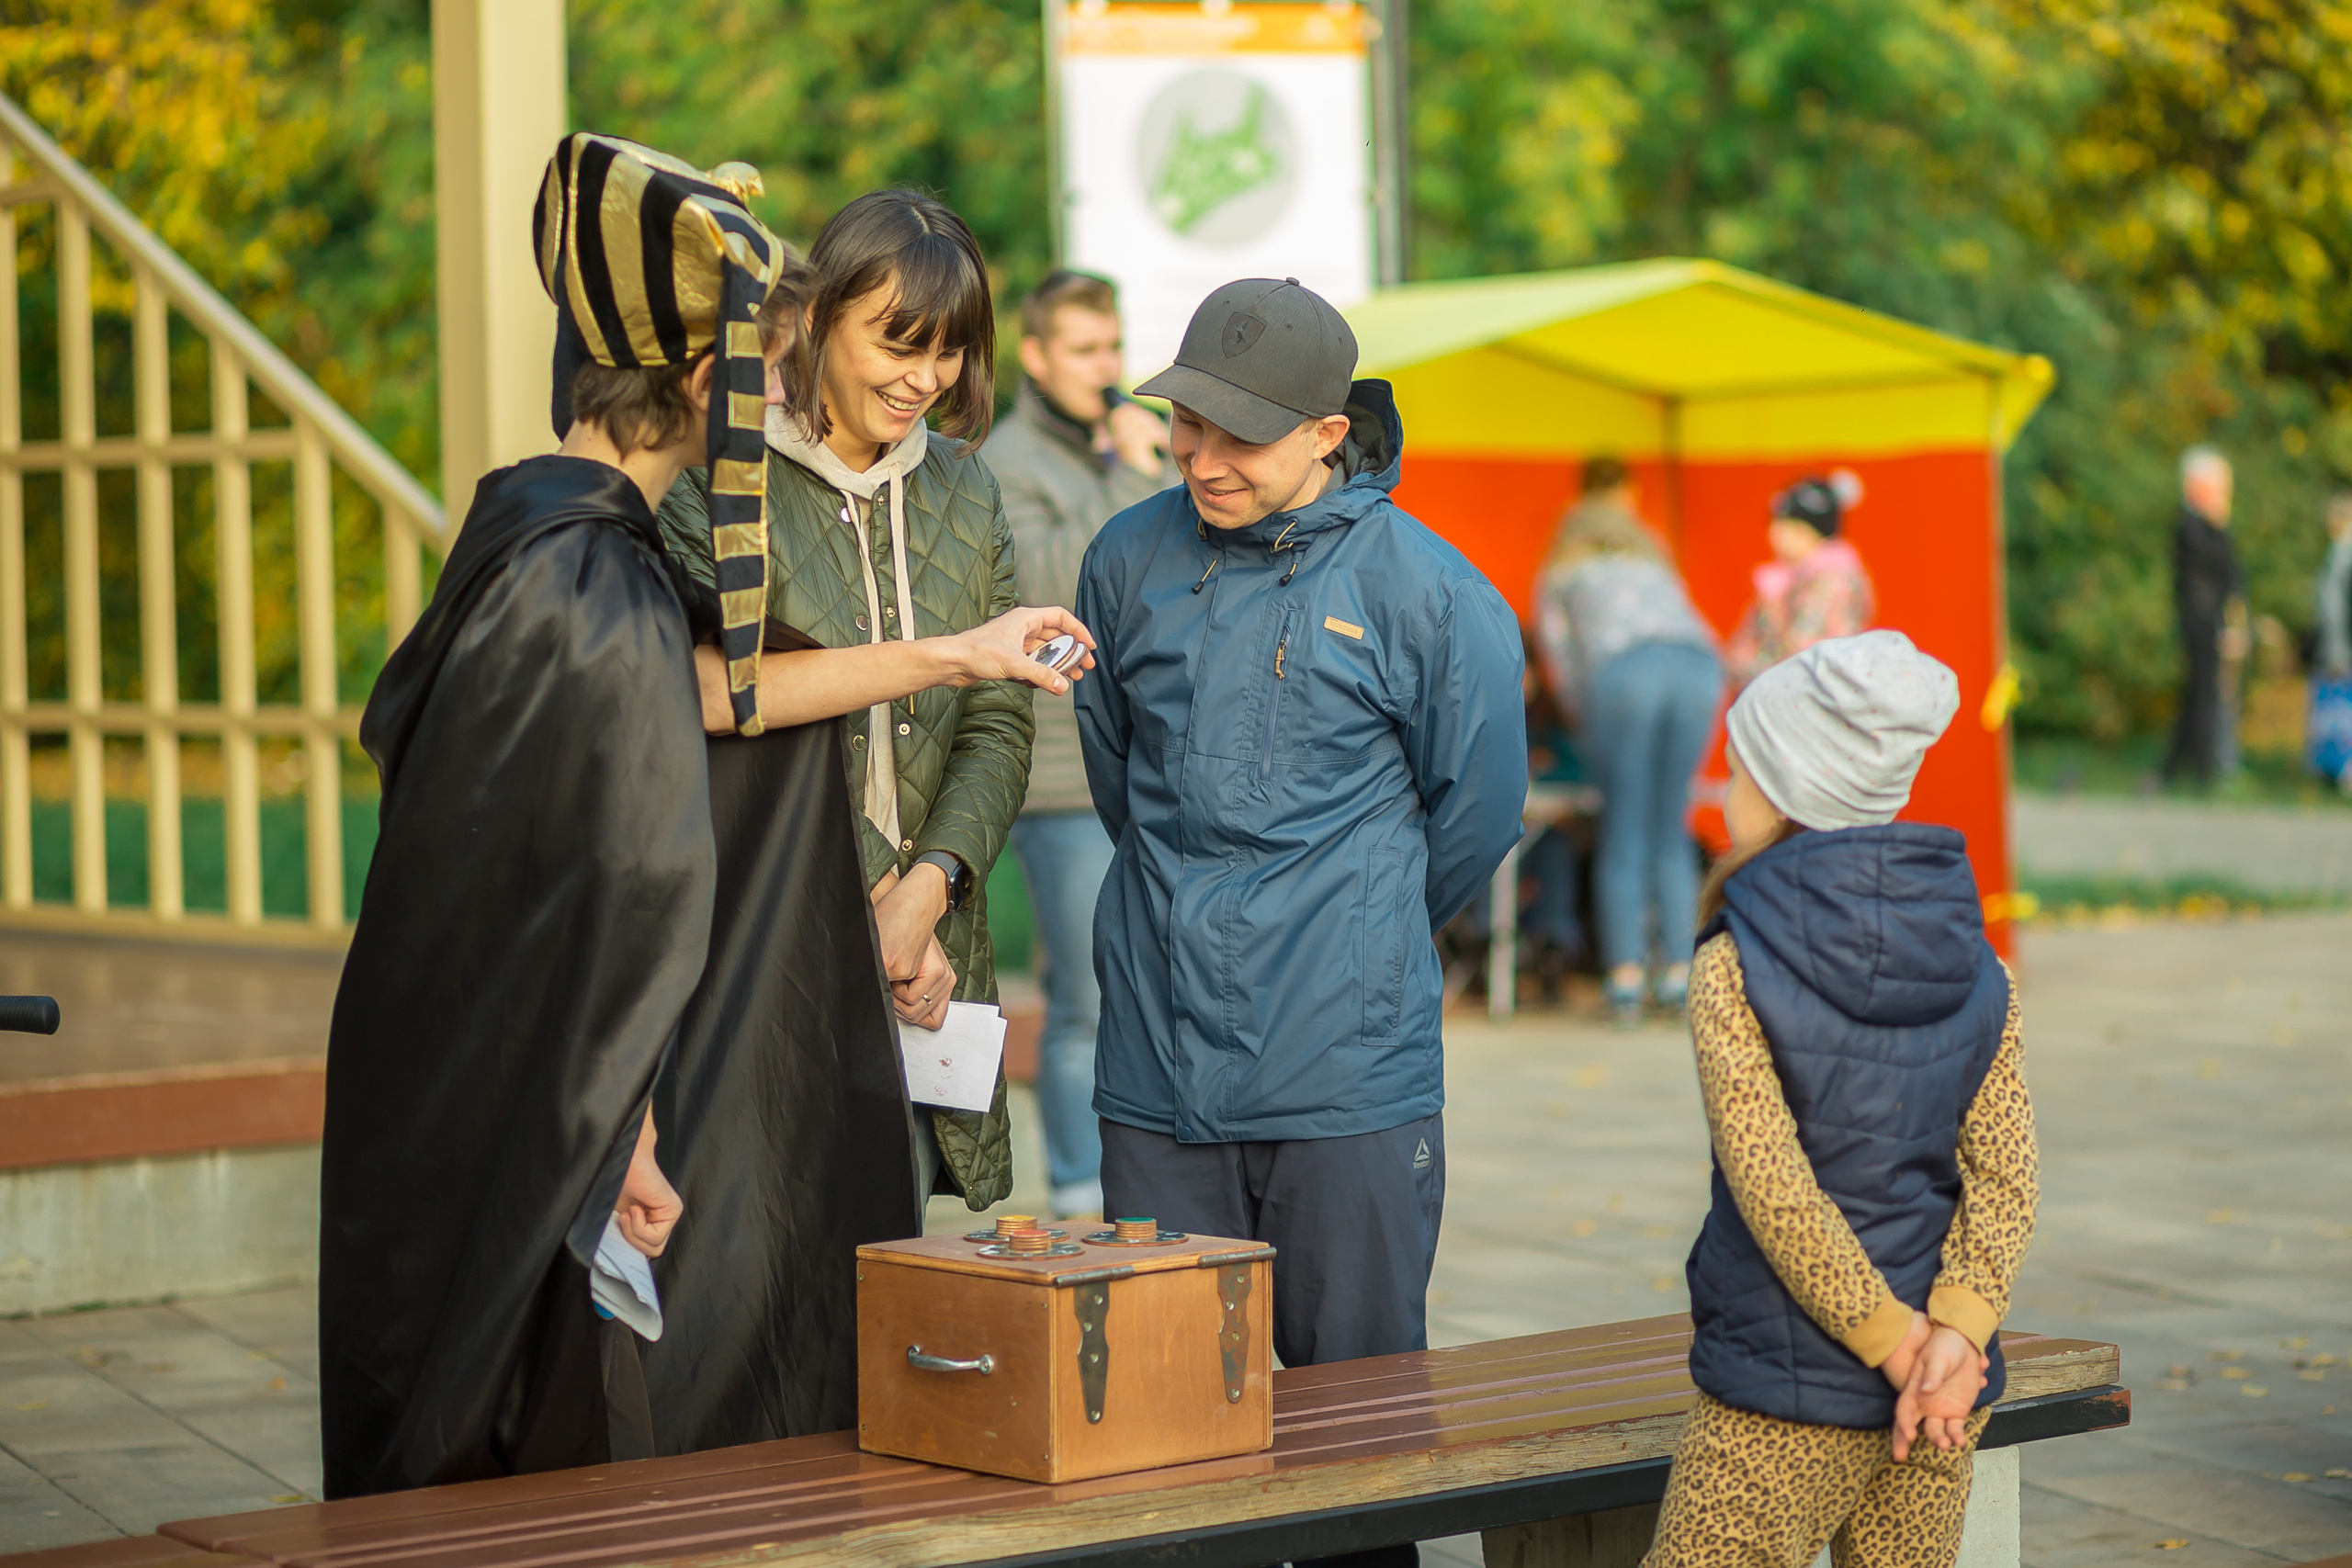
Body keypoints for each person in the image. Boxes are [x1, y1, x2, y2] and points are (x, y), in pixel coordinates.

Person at [317, 135, 806, 1497]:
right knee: (505, 1443)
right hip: (523, 1113)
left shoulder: (519, 541)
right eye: (766, 377)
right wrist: (623, 1130)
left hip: (438, 1069)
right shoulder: (594, 585)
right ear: (705, 382)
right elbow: (627, 890)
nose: (772, 404)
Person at [1076, 279, 1526, 1566]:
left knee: (1358, 1454)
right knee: (1162, 1443)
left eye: (1241, 435)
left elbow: (1478, 810)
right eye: (1186, 423)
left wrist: (1355, 935)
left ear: (1330, 432)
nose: (1201, 457)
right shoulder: (1126, 558)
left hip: (1347, 1077)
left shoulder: (1427, 589)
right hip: (1158, 1068)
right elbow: (1119, 776)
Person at [659, 188, 1035, 1219]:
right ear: (816, 317)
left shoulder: (965, 487)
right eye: (898, 343)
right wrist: (878, 895)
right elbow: (721, 711)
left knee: (895, 1250)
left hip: (927, 953)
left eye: (949, 351)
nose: (925, 378)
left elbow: (998, 716)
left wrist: (929, 890)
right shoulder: (715, 480)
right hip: (771, 928)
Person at [1644, 630, 2039, 1568]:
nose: (1724, 785)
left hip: (1785, 1400)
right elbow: (2008, 1176)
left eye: (1739, 764)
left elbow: (1773, 1187)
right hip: (1944, 1391)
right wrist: (1956, 1333)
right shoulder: (1978, 961)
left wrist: (1895, 1342)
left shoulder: (1735, 961)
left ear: (1783, 788)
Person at [982, 269, 1175, 1219]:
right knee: (1085, 995)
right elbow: (1055, 584)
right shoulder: (1006, 461)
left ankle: (1143, 1180)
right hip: (1061, 777)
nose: (1105, 368)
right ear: (1035, 355)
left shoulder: (1127, 450)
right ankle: (1073, 1187)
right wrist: (1137, 477)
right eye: (1083, 349)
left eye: (1113, 347)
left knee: (1151, 988)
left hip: (1149, 766)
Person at [1534, 457, 1722, 1024]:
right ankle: (1679, 975)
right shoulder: (1652, 556)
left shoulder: (1563, 566)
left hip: (1622, 675)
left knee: (1624, 825)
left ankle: (1625, 977)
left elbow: (1561, 660)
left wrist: (1584, 720)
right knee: (1671, 825)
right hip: (1697, 665)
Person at [1724, 472, 1873, 689]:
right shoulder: (1778, 582)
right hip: (1775, 693)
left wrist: (1752, 669)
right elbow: (1742, 646)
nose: (1774, 534)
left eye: (1791, 528)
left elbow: (1804, 657)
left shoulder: (1832, 582)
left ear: (1811, 533)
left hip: (1813, 698)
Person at [2162, 446, 2247, 788]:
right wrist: (2220, 524)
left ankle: (2179, 767)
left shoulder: (2204, 527)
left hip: (2209, 619)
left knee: (2202, 693)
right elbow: (2218, 567)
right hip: (2200, 621)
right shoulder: (2192, 526)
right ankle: (2196, 768)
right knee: (2202, 693)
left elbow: (2232, 573)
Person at [2307, 491, 2352, 791]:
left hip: (2341, 646)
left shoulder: (2340, 555)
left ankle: (2339, 769)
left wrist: (2336, 650)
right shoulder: (2341, 554)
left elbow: (2334, 609)